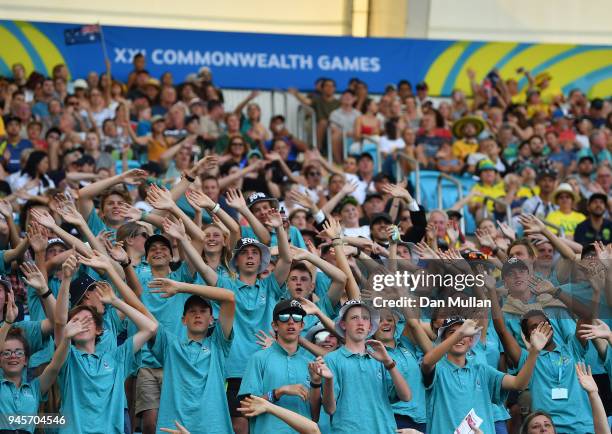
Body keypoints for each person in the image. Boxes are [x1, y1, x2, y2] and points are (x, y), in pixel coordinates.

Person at [196, 208, 292, 434]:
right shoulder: (225, 284)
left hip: (268, 367)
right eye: (244, 252)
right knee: (240, 428)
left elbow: (287, 259)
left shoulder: (269, 286)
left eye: (255, 252)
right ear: (236, 260)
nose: (250, 256)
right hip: (236, 370)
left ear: (261, 260)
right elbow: (202, 267)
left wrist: (278, 228)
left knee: (269, 426)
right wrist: (183, 238)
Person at [55, 256, 158, 434]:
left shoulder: (110, 330)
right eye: (78, 321)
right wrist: (66, 278)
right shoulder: (69, 354)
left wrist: (115, 300)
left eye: (89, 321)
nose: (83, 325)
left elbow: (150, 324)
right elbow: (59, 322)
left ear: (99, 330)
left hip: (113, 410)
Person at [421, 316, 547, 434]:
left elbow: (519, 383)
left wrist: (534, 352)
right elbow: (426, 362)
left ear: (471, 340)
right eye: (452, 333)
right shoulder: (438, 368)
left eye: (464, 334)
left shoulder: (482, 370)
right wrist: (460, 333)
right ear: (444, 340)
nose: (459, 337)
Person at [145, 277, 236, 434]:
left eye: (203, 311)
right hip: (174, 428)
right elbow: (141, 310)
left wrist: (181, 287)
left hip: (213, 428)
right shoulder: (170, 345)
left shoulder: (218, 344)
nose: (198, 315)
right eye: (192, 311)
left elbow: (229, 297)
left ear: (211, 319)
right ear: (183, 320)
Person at [316, 300, 412, 434]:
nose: (360, 322)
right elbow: (330, 409)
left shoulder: (382, 358)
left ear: (370, 326)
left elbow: (406, 396)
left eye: (365, 318)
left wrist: (389, 363)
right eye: (354, 317)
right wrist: (329, 380)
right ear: (343, 324)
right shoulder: (332, 359)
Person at [239, 300, 314, 434]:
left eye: (296, 318)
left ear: (302, 325)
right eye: (284, 317)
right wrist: (278, 392)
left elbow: (317, 414)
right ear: (275, 325)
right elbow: (246, 408)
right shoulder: (259, 358)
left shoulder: (310, 364)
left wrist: (317, 384)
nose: (291, 322)